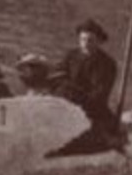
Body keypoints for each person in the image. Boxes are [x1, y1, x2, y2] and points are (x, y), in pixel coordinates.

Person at [47, 19, 123, 159]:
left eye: (90, 40)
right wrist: (65, 92)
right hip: (65, 103)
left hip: (92, 110)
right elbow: (56, 76)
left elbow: (100, 95)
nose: (85, 44)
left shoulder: (107, 64)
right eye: (82, 39)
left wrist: (75, 99)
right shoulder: (71, 55)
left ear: (99, 41)